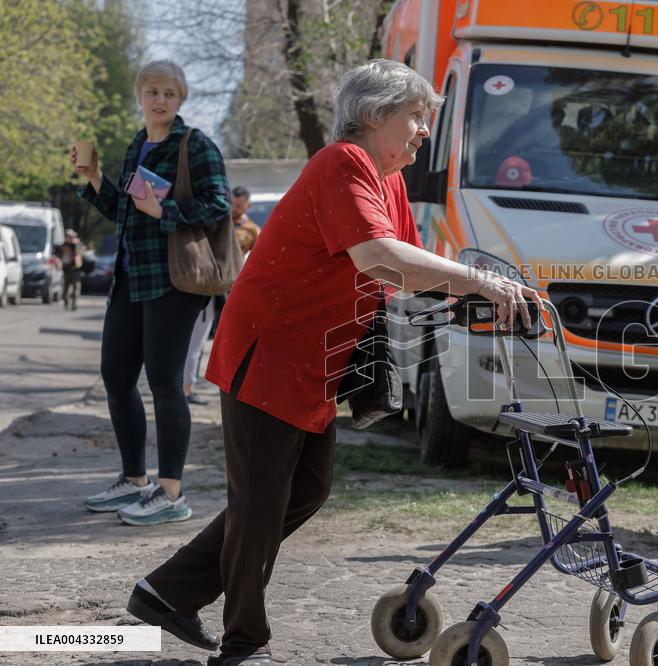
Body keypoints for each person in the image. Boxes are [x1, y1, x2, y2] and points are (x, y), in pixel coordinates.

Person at [125, 59, 541, 666]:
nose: (425, 130)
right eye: (415, 116)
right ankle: (244, 644)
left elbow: (406, 269)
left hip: (312, 361)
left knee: (304, 490)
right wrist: (481, 281)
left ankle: (166, 592)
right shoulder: (342, 163)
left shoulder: (387, 179)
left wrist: (485, 294)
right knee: (261, 505)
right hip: (269, 354)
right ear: (374, 115)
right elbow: (376, 256)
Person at [72, 60, 230, 526]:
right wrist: (95, 177)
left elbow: (218, 204)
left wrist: (166, 212)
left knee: (164, 381)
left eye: (169, 93)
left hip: (174, 280)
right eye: (153, 92)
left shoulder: (194, 144)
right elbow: (126, 212)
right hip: (130, 277)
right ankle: (134, 479)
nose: (160, 100)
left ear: (180, 99)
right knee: (116, 376)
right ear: (140, 96)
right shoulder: (138, 144)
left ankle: (172, 492)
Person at [230, 186, 260, 256]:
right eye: (231, 204)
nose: (233, 209)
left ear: (248, 205)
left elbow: (259, 253)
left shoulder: (252, 230)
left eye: (238, 206)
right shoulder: (218, 223)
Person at [60, 229, 84, 310]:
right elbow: (61, 254)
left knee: (76, 287)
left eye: (71, 236)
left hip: (76, 269)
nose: (70, 237)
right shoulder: (64, 245)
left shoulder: (78, 244)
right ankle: (66, 301)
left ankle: (74, 303)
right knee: (66, 287)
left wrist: (76, 244)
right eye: (68, 236)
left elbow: (81, 253)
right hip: (66, 269)